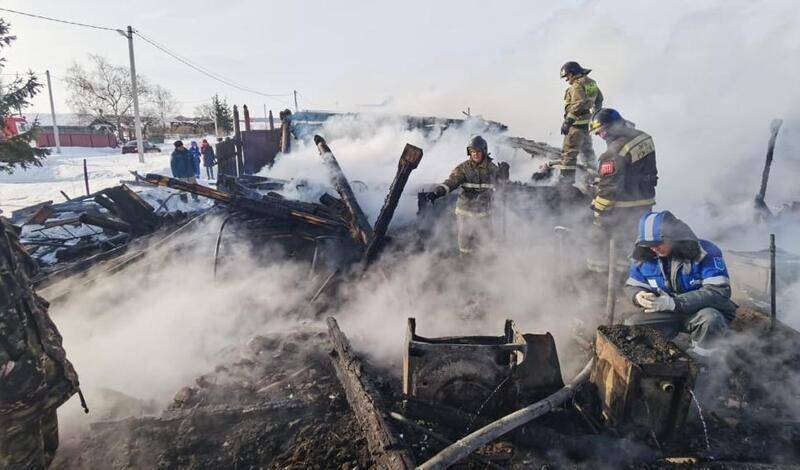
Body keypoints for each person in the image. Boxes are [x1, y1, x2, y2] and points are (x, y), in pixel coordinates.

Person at [0, 217, 84, 468]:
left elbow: (25, 286)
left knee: (47, 450)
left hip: (35, 371)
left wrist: (49, 341)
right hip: (8, 395)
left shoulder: (3, 232)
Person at [624, 211, 737, 357]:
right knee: (633, 325)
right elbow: (632, 285)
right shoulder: (643, 256)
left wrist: (674, 303)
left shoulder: (705, 252)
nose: (654, 248)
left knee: (711, 320)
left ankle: (704, 363)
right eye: (648, 244)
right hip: (668, 313)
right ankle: (659, 362)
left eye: (658, 243)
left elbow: (719, 292)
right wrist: (638, 295)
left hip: (701, 312)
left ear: (674, 236)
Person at [586, 108, 658, 274]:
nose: (600, 136)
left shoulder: (613, 152)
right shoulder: (643, 137)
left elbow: (609, 189)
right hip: (645, 201)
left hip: (624, 206)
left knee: (597, 239)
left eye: (601, 131)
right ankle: (632, 276)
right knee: (633, 243)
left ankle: (599, 277)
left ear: (612, 127)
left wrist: (598, 214)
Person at [422, 136, 499, 256]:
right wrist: (437, 192)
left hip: (484, 211)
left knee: (488, 238)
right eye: (472, 152)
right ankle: (465, 262)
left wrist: (504, 176)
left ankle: (489, 263)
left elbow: (502, 186)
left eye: (478, 152)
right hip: (465, 210)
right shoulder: (463, 168)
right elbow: (451, 182)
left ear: (484, 151)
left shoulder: (492, 169)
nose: (475, 154)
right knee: (465, 238)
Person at [535, 61, 604, 184]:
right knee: (587, 153)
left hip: (576, 125)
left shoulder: (577, 85)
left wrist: (568, 121)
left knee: (569, 153)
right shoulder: (591, 83)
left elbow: (578, 104)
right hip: (587, 125)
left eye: (567, 76)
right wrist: (595, 115)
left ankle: (565, 183)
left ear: (572, 74)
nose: (566, 79)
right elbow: (599, 99)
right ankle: (595, 178)